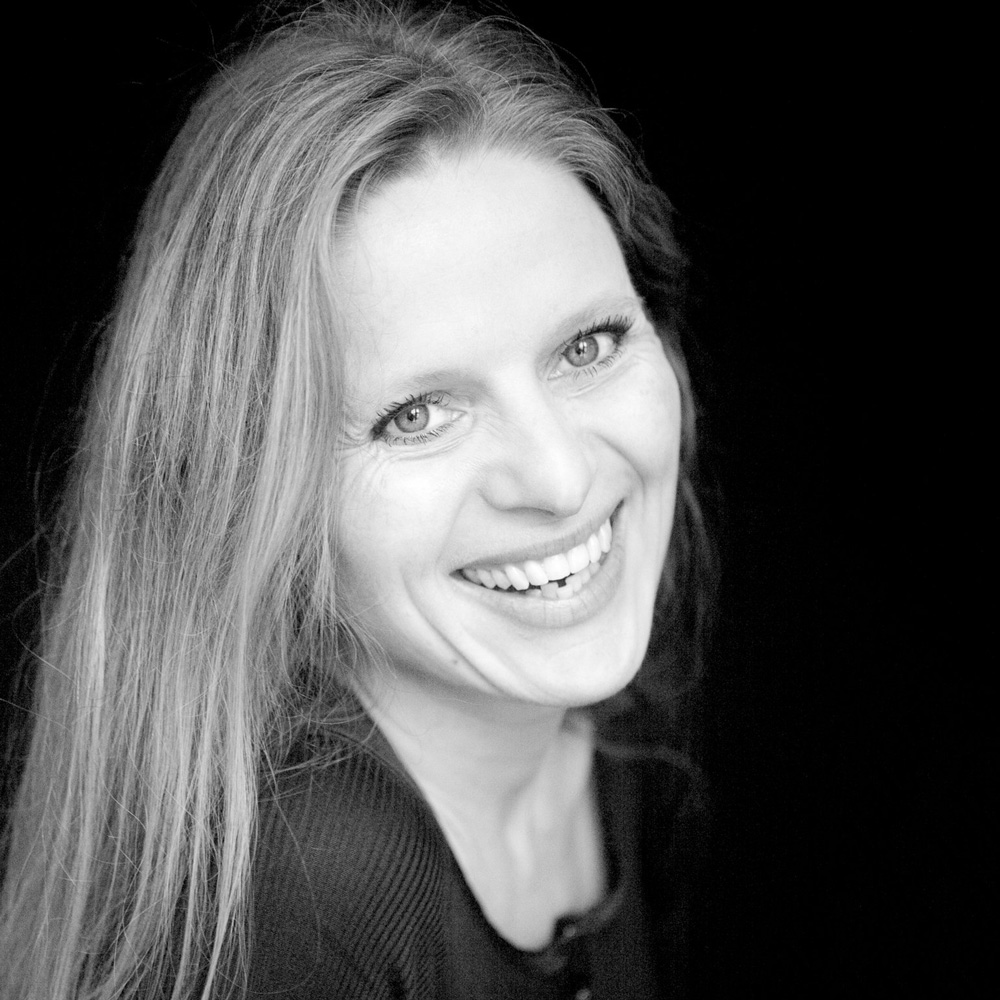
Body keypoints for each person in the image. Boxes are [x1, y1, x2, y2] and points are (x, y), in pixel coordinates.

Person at [0, 2, 711, 997]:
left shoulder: (607, 744)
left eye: (587, 346)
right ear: (257, 495)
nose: (558, 480)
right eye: (417, 415)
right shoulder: (313, 898)